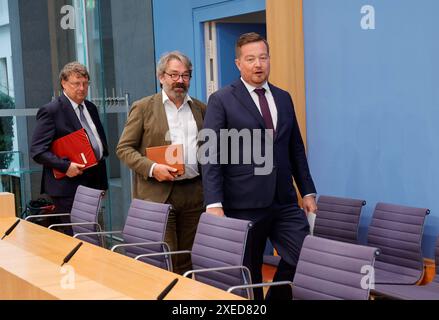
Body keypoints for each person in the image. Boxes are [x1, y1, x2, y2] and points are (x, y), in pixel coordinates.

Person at [202, 32, 317, 300]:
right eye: (251, 59)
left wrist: (308, 191)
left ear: (269, 60)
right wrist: (213, 203)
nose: (258, 64)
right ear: (238, 63)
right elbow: (210, 153)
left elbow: (295, 148)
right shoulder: (221, 99)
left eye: (263, 58)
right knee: (248, 272)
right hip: (243, 203)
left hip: (284, 200)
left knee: (305, 258)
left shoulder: (283, 97)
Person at [116, 51, 206, 275]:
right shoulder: (144, 107)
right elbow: (124, 149)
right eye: (174, 74)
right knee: (165, 258)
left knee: (189, 259)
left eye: (185, 75)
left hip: (194, 194)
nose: (180, 81)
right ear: (161, 77)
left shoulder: (201, 109)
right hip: (158, 193)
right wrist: (153, 168)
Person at [30, 62, 108, 234]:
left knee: (93, 235)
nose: (82, 88)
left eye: (85, 83)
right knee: (77, 237)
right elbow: (37, 151)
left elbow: (99, 147)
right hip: (67, 186)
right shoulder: (52, 111)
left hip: (93, 183)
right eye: (76, 84)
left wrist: (102, 184)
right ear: (64, 84)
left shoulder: (90, 107)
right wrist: (66, 166)